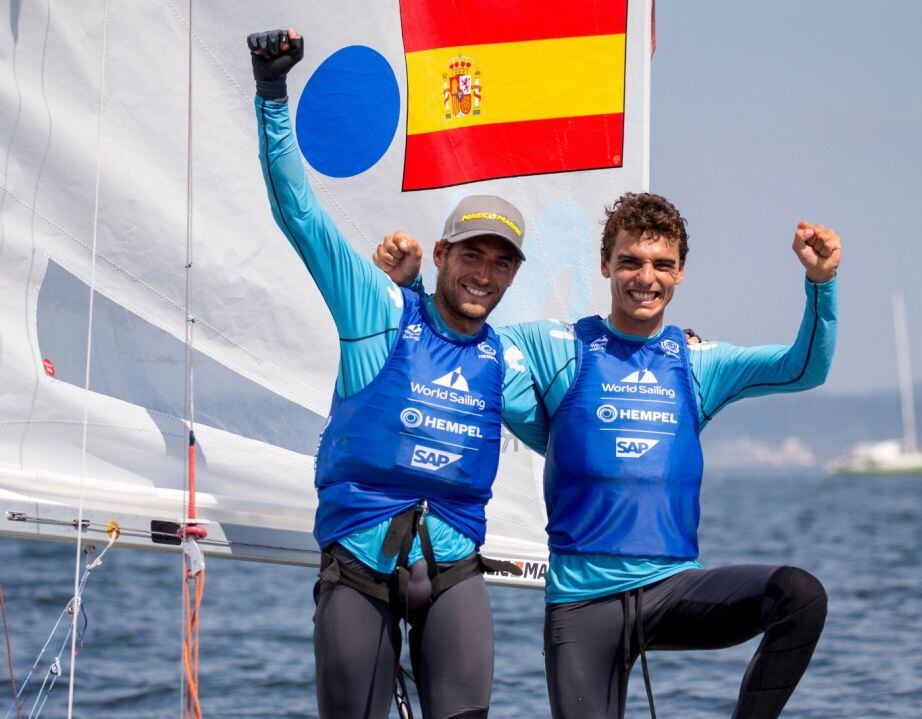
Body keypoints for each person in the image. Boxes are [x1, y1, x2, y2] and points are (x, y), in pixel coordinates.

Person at [374, 191, 841, 719]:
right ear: (605, 265)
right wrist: (410, 287)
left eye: (662, 265)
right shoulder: (559, 346)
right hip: (582, 604)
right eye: (630, 262)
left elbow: (804, 368)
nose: (647, 277)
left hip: (672, 590)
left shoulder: (699, 363)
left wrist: (820, 284)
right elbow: (459, 337)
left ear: (680, 272)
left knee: (799, 596)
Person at [247, 29, 546, 719]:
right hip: (357, 565)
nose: (484, 273)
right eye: (472, 255)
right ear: (442, 253)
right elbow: (301, 215)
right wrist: (271, 93)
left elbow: (583, 427)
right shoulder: (378, 313)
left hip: (452, 573)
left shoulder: (510, 361)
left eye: (502, 262)